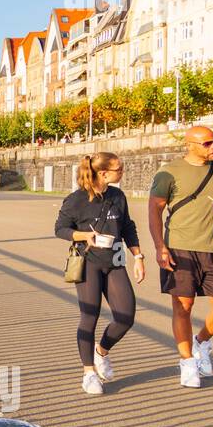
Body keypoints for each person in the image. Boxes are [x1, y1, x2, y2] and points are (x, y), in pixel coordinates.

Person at [148, 126, 213, 389]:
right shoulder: (170, 171)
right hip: (180, 248)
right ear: (190, 145)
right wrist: (159, 246)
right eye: (207, 143)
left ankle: (201, 341)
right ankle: (187, 361)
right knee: (183, 306)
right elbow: (154, 210)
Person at [54, 153, 145, 395]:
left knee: (125, 317)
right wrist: (85, 236)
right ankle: (88, 373)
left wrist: (138, 257)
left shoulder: (118, 196)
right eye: (119, 168)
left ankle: (101, 352)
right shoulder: (76, 200)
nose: (122, 171)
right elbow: (60, 229)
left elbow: (127, 227)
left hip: (115, 261)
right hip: (88, 262)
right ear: (103, 173)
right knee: (89, 316)